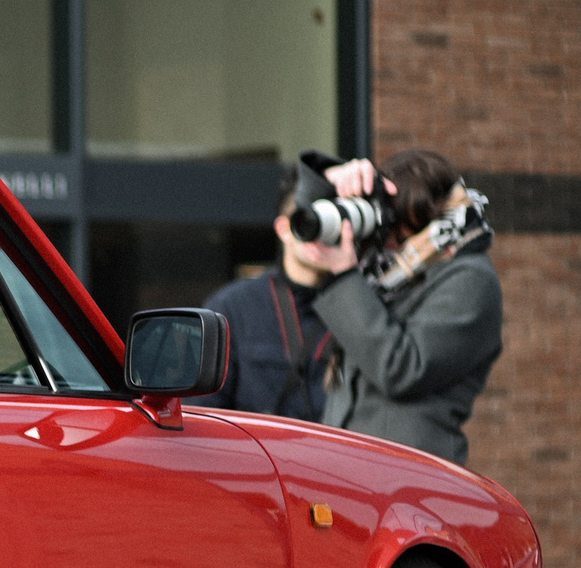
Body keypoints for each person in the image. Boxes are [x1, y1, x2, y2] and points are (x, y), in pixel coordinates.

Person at [285, 148, 502, 465]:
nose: (385, 237)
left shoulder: (470, 278)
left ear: (431, 214)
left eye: (397, 221)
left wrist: (345, 276)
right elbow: (309, 236)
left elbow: (402, 369)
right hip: (346, 475)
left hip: (408, 482)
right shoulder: (386, 274)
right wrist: (330, 181)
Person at [193, 165, 331, 420]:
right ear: (283, 229)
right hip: (261, 457)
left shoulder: (365, 308)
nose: (320, 233)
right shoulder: (232, 308)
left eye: (330, 220)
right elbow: (203, 414)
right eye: (308, 221)